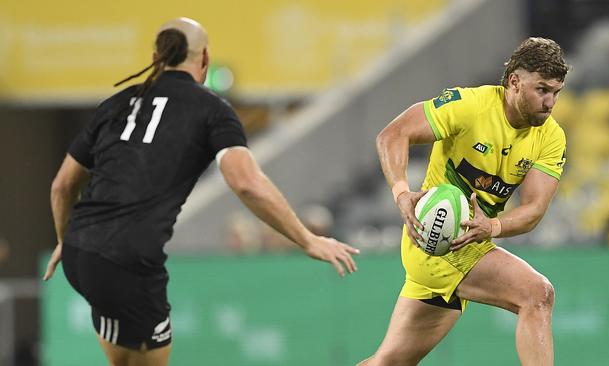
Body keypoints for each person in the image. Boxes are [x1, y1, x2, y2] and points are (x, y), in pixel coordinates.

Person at [42, 17, 359, 366]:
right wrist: (307, 239)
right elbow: (245, 182)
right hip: (128, 261)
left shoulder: (116, 103)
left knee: (124, 359)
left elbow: (62, 185)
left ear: (155, 56)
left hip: (79, 253)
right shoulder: (211, 109)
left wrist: (63, 240)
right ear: (205, 59)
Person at [358, 37, 569, 366]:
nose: (550, 102)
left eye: (556, 92)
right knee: (537, 294)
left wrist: (493, 226)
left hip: (469, 243)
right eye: (542, 89)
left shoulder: (551, 137)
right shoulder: (470, 106)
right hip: (436, 239)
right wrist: (402, 193)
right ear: (514, 81)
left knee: (389, 362)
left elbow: (534, 210)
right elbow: (392, 134)